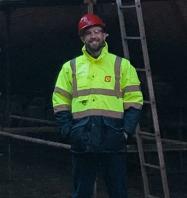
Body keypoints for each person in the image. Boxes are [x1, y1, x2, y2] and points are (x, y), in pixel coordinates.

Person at [52, 13, 143, 198]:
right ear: (82, 38)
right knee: (82, 193)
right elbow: (60, 101)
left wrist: (125, 132)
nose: (93, 36)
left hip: (113, 139)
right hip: (82, 139)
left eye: (97, 31)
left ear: (105, 35)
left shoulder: (122, 66)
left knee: (118, 192)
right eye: (88, 33)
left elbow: (135, 100)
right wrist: (68, 131)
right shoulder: (70, 67)